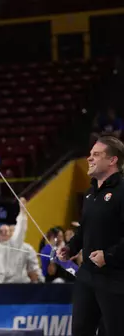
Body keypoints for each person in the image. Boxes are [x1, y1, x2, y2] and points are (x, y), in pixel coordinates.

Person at [57, 135, 124, 335]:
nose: (89, 158)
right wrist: (70, 248)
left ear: (112, 160)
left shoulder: (122, 191)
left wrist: (109, 255)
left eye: (96, 154)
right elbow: (83, 230)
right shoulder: (89, 194)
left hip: (115, 278)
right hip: (86, 276)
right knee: (79, 330)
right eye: (90, 154)